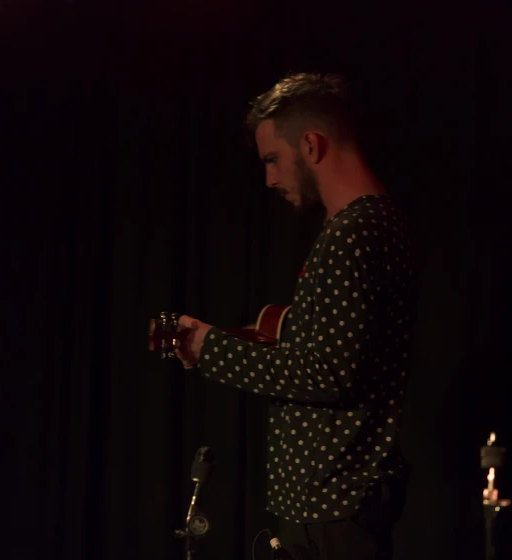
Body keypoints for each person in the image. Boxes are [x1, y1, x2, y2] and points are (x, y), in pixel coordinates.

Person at [175, 72, 418, 560]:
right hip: (324, 504)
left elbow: (328, 374)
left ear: (311, 144)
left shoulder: (356, 231)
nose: (268, 179)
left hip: (336, 504)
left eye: (272, 160)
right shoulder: (359, 226)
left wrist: (212, 350)